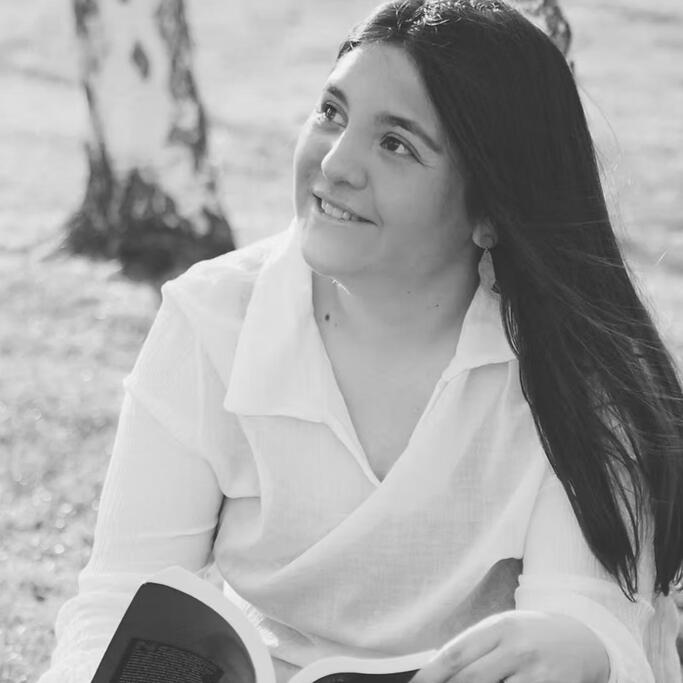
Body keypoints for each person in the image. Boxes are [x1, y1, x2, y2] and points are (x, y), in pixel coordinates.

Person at [39, 1, 683, 682]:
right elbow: (119, 596)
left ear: (491, 210)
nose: (336, 162)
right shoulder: (212, 320)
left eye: (396, 144)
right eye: (331, 113)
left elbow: (592, 620)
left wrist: (574, 649)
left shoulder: (574, 370)